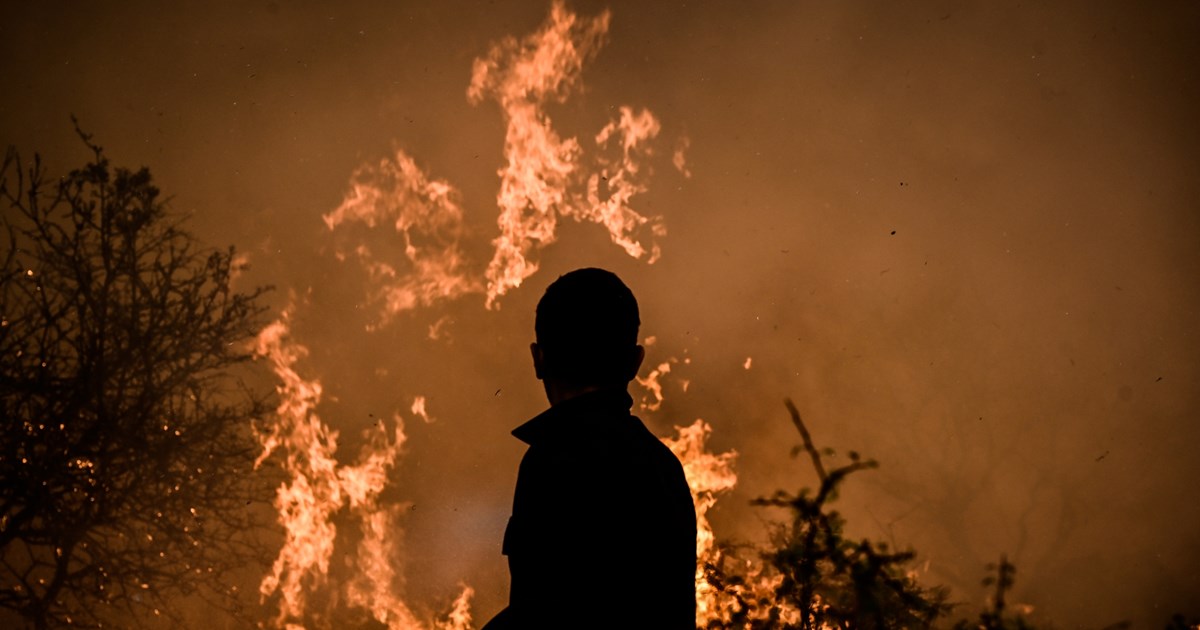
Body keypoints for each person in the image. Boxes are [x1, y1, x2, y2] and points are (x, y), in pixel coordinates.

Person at [483, 268, 697, 630]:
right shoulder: (662, 466)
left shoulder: (552, 459)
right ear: (635, 362)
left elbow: (544, 612)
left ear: (538, 359)